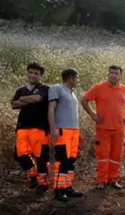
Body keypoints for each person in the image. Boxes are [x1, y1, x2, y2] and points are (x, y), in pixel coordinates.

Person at [81, 65, 125, 190]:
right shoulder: (99, 88)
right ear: (108, 74)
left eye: (116, 73)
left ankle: (113, 180)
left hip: (119, 129)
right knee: (103, 155)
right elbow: (84, 100)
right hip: (103, 129)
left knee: (116, 155)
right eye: (111, 73)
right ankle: (101, 180)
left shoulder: (124, 89)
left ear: (120, 76)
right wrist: (93, 115)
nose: (113, 75)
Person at [10, 62, 51, 191]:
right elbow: (13, 105)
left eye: (36, 73)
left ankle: (43, 183)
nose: (33, 75)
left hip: (40, 128)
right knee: (19, 155)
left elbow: (37, 99)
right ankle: (33, 174)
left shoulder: (45, 88)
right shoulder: (21, 90)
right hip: (22, 127)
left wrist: (22, 100)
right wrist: (27, 100)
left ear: (40, 76)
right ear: (27, 73)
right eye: (31, 72)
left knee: (41, 157)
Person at [48, 68, 84, 202]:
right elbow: (51, 109)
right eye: (77, 78)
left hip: (74, 131)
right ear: (71, 78)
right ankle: (59, 189)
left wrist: (78, 131)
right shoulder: (56, 88)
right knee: (62, 160)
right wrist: (53, 129)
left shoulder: (71, 92)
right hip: (62, 130)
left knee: (71, 161)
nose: (78, 81)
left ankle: (68, 187)